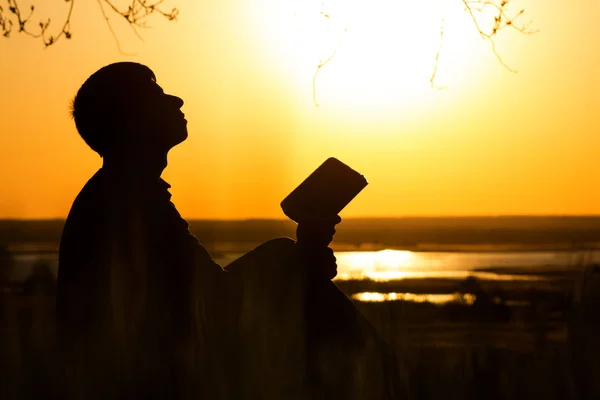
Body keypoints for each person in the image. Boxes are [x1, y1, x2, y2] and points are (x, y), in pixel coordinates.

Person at [56, 62, 400, 399]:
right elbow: (213, 304)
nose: (177, 101)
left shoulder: (125, 193)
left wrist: (302, 257)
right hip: (156, 381)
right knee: (359, 353)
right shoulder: (128, 201)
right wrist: (297, 261)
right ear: (130, 120)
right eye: (157, 95)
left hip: (164, 370)